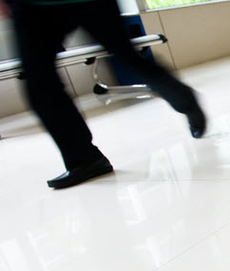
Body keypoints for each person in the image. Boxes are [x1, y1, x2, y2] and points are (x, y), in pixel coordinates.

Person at [0, 0, 207, 189]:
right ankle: (85, 160)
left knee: (126, 56)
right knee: (38, 80)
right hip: (32, 6)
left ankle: (185, 101)